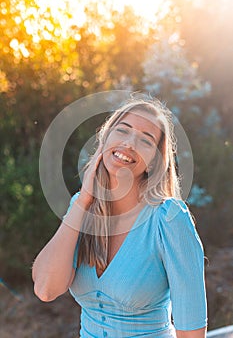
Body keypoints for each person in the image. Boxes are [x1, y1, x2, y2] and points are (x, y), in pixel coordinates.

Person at [32, 96, 208, 338]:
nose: (129, 143)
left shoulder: (170, 218)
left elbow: (191, 330)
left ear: (153, 162)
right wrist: (83, 201)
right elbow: (46, 289)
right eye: (122, 130)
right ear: (105, 139)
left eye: (146, 141)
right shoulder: (80, 208)